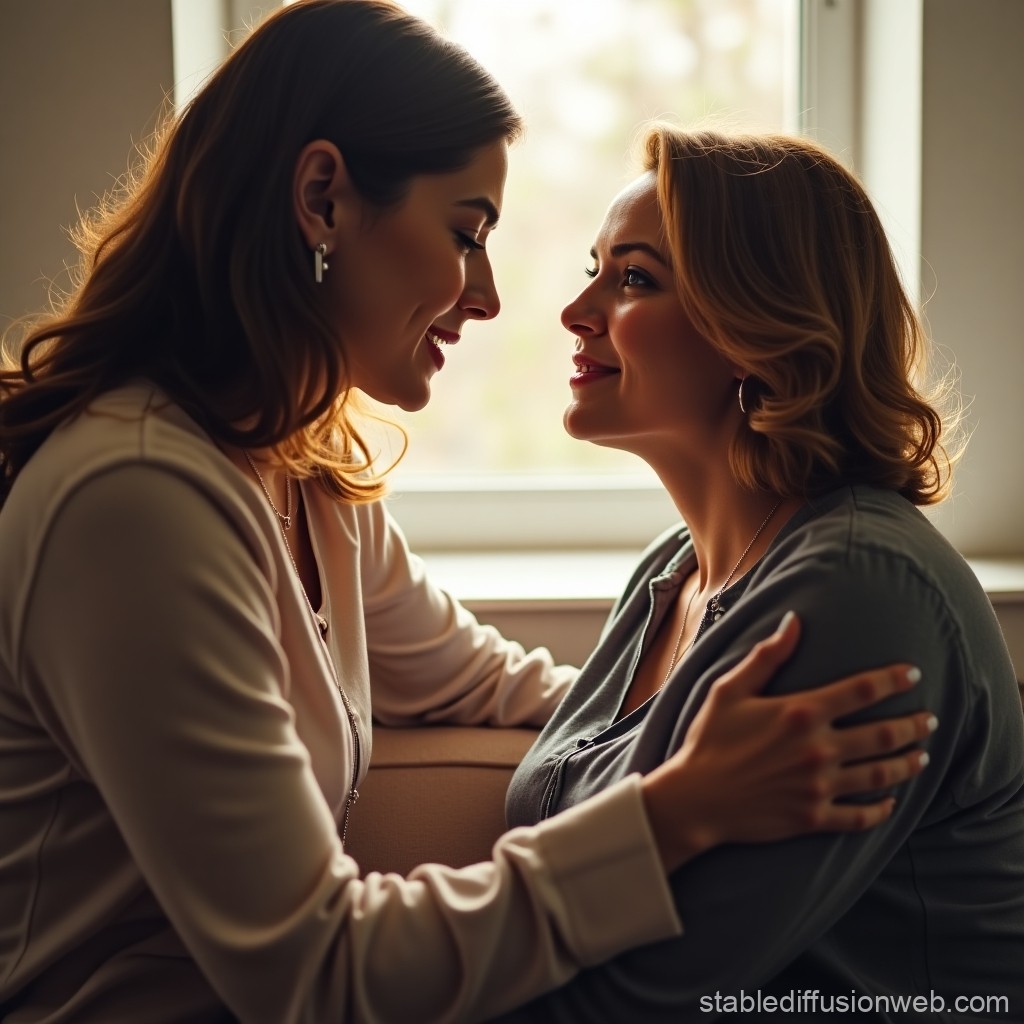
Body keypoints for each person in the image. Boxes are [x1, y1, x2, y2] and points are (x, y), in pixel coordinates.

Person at [0, 4, 934, 1023]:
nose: (490, 297)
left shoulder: (303, 477)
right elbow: (314, 971)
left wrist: (700, 700)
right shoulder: (135, 502)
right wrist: (670, 809)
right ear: (321, 198)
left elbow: (495, 684)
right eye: (465, 232)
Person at [501, 125, 1024, 1022]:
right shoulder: (670, 576)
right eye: (594, 267)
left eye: (633, 278)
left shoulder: (863, 592)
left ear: (757, 328)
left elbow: (661, 994)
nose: (575, 311)